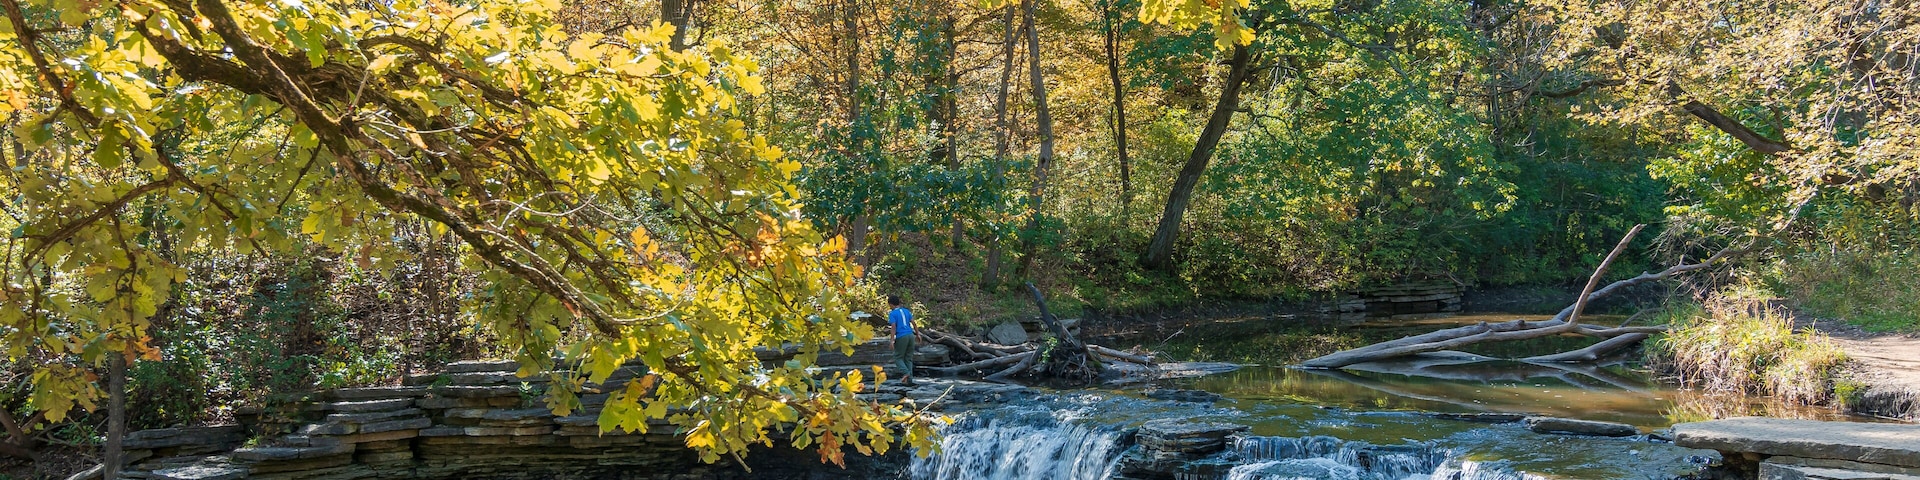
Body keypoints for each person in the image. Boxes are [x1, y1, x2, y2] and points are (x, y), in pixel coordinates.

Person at [887, 295, 917, 386]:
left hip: (902, 336)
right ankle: (910, 380)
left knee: (898, 357)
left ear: (891, 304)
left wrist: (892, 340)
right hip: (911, 335)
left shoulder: (892, 314)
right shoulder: (906, 311)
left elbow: (893, 327)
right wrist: (918, 334)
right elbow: (914, 323)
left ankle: (906, 373)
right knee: (908, 358)